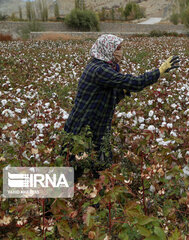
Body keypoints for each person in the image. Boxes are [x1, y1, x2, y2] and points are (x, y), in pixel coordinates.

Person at [61, 34, 180, 181]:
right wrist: (159, 71)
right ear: (107, 49)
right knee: (74, 171)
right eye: (117, 48)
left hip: (97, 127)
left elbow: (112, 94)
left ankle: (96, 197)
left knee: (98, 167)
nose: (120, 51)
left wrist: (123, 90)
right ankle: (63, 198)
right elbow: (134, 82)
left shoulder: (105, 67)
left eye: (120, 48)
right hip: (83, 126)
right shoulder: (99, 70)